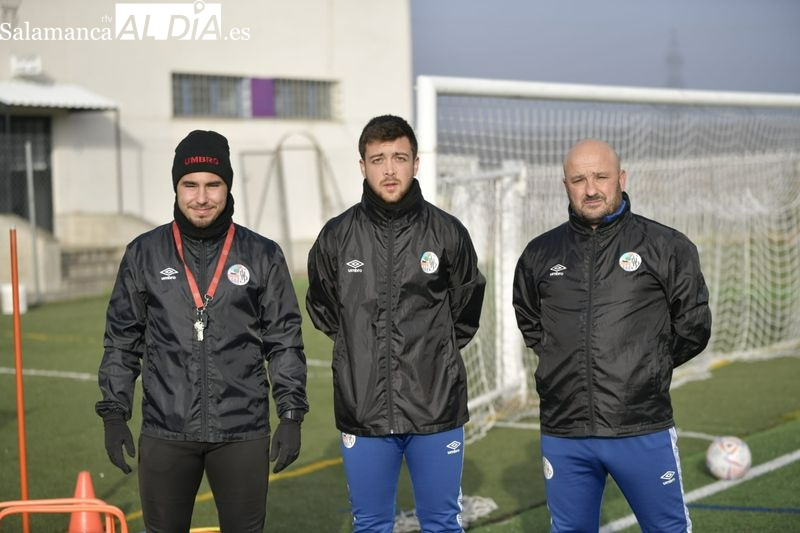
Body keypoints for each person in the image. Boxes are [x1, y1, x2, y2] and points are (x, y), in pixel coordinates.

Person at [96, 130, 309, 533]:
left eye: (214, 185)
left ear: (228, 188)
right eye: (189, 185)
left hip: (242, 431)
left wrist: (292, 414)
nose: (201, 196)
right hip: (166, 430)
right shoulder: (144, 253)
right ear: (176, 188)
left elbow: (283, 341)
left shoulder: (263, 254)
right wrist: (113, 412)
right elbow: (122, 341)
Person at [512, 139, 712, 533]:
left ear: (621, 178)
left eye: (601, 177)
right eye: (578, 179)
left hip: (640, 426)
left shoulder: (666, 246)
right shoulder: (539, 253)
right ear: (565, 185)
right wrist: (563, 364)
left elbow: (693, 326)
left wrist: (645, 366)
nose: (590, 189)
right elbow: (531, 321)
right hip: (564, 430)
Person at [306, 114, 486, 533]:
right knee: (370, 523)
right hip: (362, 407)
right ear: (362, 166)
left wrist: (432, 356)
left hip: (435, 406)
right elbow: (324, 308)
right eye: (378, 159)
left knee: (442, 522)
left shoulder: (447, 232)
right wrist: (362, 350)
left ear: (416, 163)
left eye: (399, 158)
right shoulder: (336, 236)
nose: (389, 170)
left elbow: (466, 308)